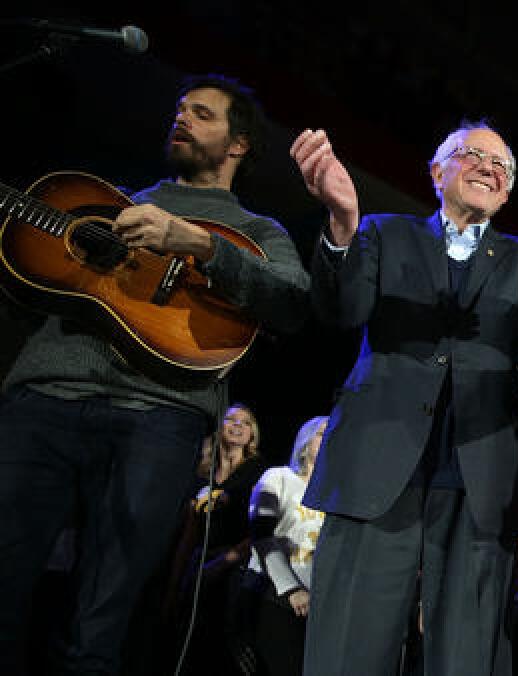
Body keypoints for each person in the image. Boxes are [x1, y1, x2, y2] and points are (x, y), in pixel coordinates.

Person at [0, 73, 309, 675]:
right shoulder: (102, 200)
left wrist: (198, 244)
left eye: (201, 113)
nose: (182, 119)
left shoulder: (258, 229)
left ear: (238, 145)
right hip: (46, 397)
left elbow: (292, 300)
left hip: (159, 416)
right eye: (178, 110)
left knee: (101, 616)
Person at [289, 121, 518, 675]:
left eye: (502, 167)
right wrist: (342, 224)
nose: (489, 168)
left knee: (466, 657)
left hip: (477, 481)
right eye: (473, 155)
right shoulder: (382, 232)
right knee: (347, 649)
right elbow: (339, 311)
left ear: (509, 193)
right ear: (438, 171)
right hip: (375, 470)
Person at [171, 402, 269, 674]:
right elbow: (188, 536)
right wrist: (176, 584)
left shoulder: (257, 472)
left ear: (252, 435)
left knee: (222, 653)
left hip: (233, 568)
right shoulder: (200, 474)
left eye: (246, 422)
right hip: (198, 568)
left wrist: (224, 561)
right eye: (231, 419)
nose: (238, 425)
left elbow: (263, 530)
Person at [244, 415, 329, 676]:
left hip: (316, 603)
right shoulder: (279, 477)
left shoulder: (336, 497)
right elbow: (261, 534)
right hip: (273, 593)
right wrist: (291, 589)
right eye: (322, 433)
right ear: (305, 442)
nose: (329, 438)